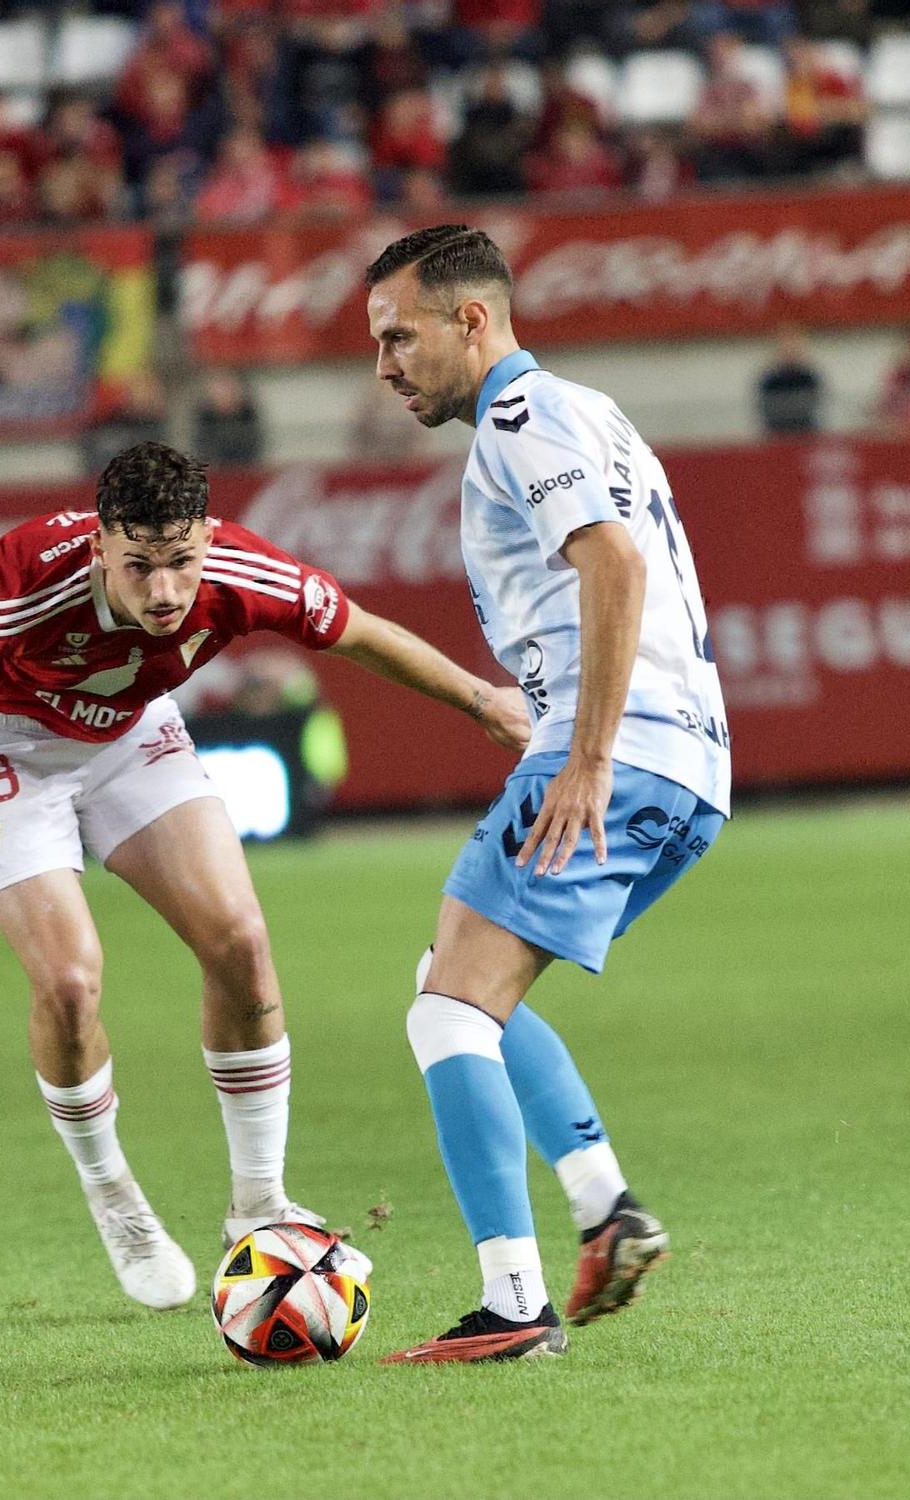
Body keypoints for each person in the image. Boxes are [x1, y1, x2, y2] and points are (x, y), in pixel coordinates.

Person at [0, 441, 533, 1310]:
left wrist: (484, 702)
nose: (166, 591)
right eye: (139, 566)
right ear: (103, 545)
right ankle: (113, 1194)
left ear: (207, 540)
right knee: (69, 981)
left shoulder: (245, 572)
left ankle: (257, 1204)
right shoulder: (17, 581)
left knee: (241, 942)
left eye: (181, 562)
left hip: (131, 734)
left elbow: (358, 632)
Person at [362, 225, 730, 1363]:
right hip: (686, 765)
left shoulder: (524, 423)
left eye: (398, 336)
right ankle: (605, 1210)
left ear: (472, 321)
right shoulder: (587, 409)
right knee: (457, 983)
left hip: (610, 755)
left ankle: (511, 1304)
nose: (382, 365)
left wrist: (583, 756)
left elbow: (611, 565)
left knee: (444, 1012)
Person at [757, 321, 825, 435]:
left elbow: (817, 407)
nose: (790, 348)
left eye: (794, 343)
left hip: (806, 435)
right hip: (777, 436)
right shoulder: (769, 380)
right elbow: (765, 410)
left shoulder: (809, 378)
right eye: (786, 343)